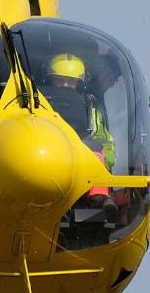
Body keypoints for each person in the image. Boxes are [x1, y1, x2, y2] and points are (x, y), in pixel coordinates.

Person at [41, 53, 118, 219]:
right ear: (49, 81)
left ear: (80, 85)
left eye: (71, 82)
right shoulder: (38, 103)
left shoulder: (91, 110)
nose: (65, 85)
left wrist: (102, 161)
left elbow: (107, 148)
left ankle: (99, 197)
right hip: (43, 155)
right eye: (60, 80)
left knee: (95, 149)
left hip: (79, 162)